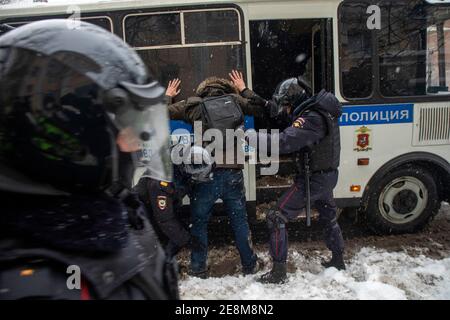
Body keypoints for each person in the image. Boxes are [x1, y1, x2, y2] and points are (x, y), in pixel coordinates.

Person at [0, 20, 178, 299]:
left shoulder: (112, 216)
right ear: (71, 139)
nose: (134, 143)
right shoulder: (36, 284)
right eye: (124, 129)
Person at [164, 73, 273, 278]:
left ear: (203, 89)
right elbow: (262, 108)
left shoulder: (194, 105)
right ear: (225, 88)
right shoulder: (236, 101)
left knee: (199, 222)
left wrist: (168, 95)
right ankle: (249, 264)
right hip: (233, 173)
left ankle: (198, 268)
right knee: (239, 221)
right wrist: (243, 89)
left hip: (206, 174)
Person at [242, 77, 345, 284]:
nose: (286, 111)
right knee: (328, 215)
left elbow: (284, 142)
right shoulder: (316, 110)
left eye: (287, 106)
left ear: (294, 101)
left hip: (314, 179)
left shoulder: (311, 118)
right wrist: (251, 95)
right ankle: (338, 260)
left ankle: (279, 272)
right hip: (324, 175)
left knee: (276, 216)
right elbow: (278, 112)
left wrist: (250, 137)